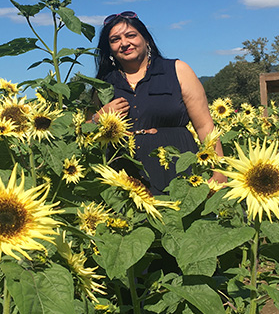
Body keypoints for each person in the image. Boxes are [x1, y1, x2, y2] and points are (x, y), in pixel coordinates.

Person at [91, 11, 225, 194]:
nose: (124, 43)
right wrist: (98, 118)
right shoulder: (104, 84)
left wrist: (219, 171)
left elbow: (204, 126)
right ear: (109, 48)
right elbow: (86, 132)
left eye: (131, 35)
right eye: (115, 39)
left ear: (146, 39)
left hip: (177, 169)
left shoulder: (177, 71)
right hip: (125, 177)